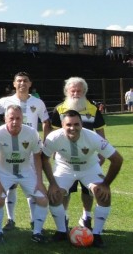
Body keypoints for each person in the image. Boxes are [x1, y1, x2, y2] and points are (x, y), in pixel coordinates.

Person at [43, 110, 123, 248]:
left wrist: (105, 184)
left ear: (81, 125)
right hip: (64, 169)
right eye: (68, 124)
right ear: (62, 125)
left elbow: (117, 159)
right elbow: (44, 159)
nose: (72, 128)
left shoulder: (93, 137)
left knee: (103, 194)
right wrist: (53, 184)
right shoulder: (53, 137)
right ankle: (62, 231)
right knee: (54, 195)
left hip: (89, 168)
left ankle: (97, 234)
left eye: (76, 124)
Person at [0, 72, 51, 230]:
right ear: (14, 84)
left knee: (31, 186)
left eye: (25, 81)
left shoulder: (38, 103)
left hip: (30, 150)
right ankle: (10, 219)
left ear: (30, 83)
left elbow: (46, 122)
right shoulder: (4, 102)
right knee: (11, 186)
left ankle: (34, 219)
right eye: (19, 81)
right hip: (9, 149)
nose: (22, 84)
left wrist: (45, 143)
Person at [0, 105, 49, 244]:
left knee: (43, 199)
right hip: (4, 172)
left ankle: (37, 233)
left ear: (23, 119)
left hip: (26, 171)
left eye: (18, 118)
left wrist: (40, 181)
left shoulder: (31, 133)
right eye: (11, 118)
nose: (14, 121)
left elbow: (38, 156)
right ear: (5, 119)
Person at [49, 77, 105, 229]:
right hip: (65, 161)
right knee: (64, 191)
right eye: (72, 90)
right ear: (67, 91)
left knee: (89, 191)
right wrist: (54, 153)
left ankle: (86, 217)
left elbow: (100, 132)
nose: (76, 93)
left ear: (84, 92)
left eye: (79, 91)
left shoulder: (92, 108)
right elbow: (53, 134)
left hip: (88, 160)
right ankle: (64, 216)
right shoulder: (59, 109)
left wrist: (102, 154)